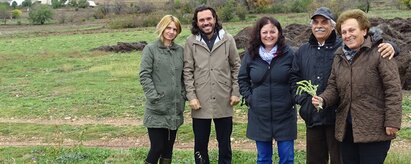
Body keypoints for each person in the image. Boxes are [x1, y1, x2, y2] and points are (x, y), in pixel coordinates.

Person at [290, 7, 398, 164]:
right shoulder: (338, 55)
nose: (348, 35)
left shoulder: (375, 52)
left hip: (360, 124)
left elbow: (393, 89)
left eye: (352, 30)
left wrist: (392, 121)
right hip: (338, 124)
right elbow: (332, 85)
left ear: (364, 30)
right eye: (345, 32)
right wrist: (317, 100)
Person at [183, 5, 241, 164]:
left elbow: (236, 66)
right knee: (200, 144)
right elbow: (187, 71)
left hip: (224, 99)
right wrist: (191, 96)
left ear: (215, 19)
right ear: (196, 22)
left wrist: (236, 91)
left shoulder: (227, 39)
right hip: (200, 102)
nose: (206, 22)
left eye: (209, 18)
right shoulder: (191, 42)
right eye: (201, 20)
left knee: (224, 143)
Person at [238, 16, 296, 164]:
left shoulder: (289, 54)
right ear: (259, 34)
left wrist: (291, 98)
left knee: (287, 158)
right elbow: (242, 79)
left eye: (272, 31)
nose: (269, 35)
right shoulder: (251, 55)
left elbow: (296, 79)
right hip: (260, 114)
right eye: (265, 32)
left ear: (279, 33)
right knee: (263, 158)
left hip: (285, 114)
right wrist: (251, 99)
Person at [139, 15, 185, 164]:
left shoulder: (180, 51)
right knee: (157, 147)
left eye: (175, 29)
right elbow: (144, 75)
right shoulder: (150, 49)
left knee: (168, 148)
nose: (171, 32)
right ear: (162, 27)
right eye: (168, 28)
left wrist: (183, 95)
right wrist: (154, 97)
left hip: (175, 108)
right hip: (157, 109)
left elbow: (185, 76)